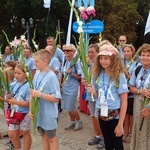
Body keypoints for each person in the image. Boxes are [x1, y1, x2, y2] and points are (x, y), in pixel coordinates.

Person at [88, 44, 128, 150]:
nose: (103, 61)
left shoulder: (119, 75)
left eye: (106, 58)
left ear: (113, 59)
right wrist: (93, 91)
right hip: (102, 113)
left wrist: (120, 124)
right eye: (101, 58)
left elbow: (124, 101)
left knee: (118, 145)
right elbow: (97, 96)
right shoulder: (98, 73)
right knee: (108, 143)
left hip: (115, 116)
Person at [29, 49, 61, 150]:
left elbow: (56, 98)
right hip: (39, 113)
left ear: (44, 61)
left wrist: (40, 95)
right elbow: (32, 93)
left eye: (36, 61)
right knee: (43, 136)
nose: (35, 63)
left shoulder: (52, 76)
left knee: (51, 138)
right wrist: (31, 109)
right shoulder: (37, 74)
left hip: (48, 114)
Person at [82, 44, 105, 149]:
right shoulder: (86, 65)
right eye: (89, 52)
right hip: (89, 94)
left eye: (92, 52)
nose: (90, 54)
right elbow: (82, 79)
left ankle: (103, 137)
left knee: (98, 117)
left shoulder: (100, 66)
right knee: (92, 116)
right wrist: (85, 82)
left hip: (99, 96)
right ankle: (97, 135)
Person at [129, 44, 150, 150]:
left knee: (147, 129)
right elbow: (131, 87)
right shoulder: (138, 69)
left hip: (148, 105)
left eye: (148, 55)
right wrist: (140, 91)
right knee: (138, 127)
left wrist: (148, 108)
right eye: (143, 55)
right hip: (138, 103)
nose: (145, 57)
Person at [6, 63, 32, 150]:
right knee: (12, 134)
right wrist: (8, 97)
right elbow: (10, 97)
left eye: (19, 73)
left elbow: (29, 103)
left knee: (25, 132)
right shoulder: (14, 83)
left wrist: (15, 101)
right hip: (14, 112)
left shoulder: (28, 86)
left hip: (24, 113)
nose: (16, 75)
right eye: (15, 73)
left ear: (25, 74)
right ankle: (18, 148)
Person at [60, 44, 83, 131]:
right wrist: (60, 85)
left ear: (73, 52)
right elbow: (62, 74)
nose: (66, 52)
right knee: (67, 107)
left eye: (69, 50)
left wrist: (72, 74)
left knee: (71, 107)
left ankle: (79, 122)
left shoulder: (77, 62)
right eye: (65, 50)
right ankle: (72, 122)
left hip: (72, 88)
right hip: (65, 87)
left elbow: (81, 77)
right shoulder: (65, 60)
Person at [122, 44, 140, 143]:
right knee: (125, 114)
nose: (126, 53)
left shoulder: (137, 64)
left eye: (128, 51)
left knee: (131, 114)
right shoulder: (121, 62)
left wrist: (127, 73)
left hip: (132, 92)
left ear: (133, 52)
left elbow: (134, 79)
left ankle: (131, 134)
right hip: (123, 91)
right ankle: (125, 132)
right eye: (124, 51)